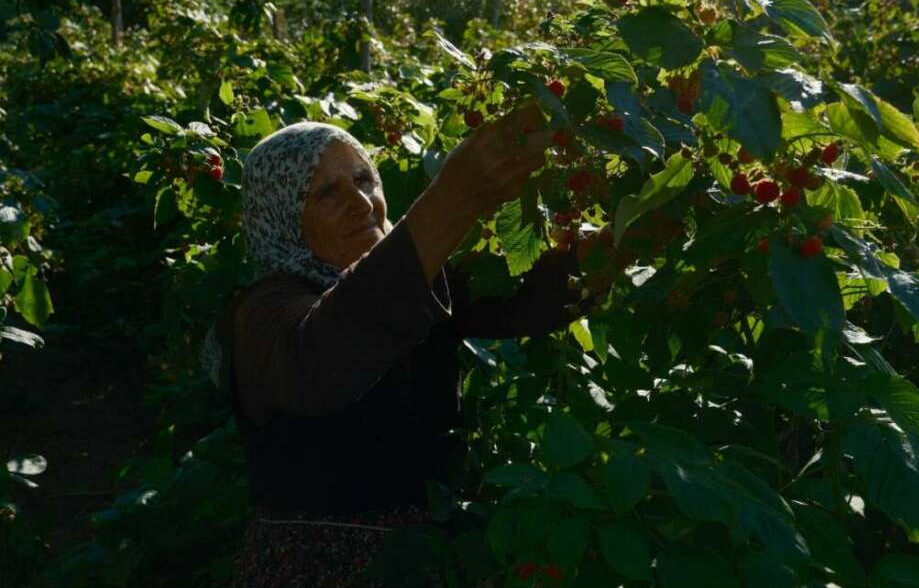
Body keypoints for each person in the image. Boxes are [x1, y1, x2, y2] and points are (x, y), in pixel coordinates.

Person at [199, 102, 626, 587]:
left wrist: (628, 237)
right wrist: (456, 197)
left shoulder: (415, 280)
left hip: (429, 559)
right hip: (316, 569)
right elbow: (323, 354)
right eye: (326, 194)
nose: (362, 203)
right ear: (282, 216)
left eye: (364, 179)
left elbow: (522, 296)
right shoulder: (265, 311)